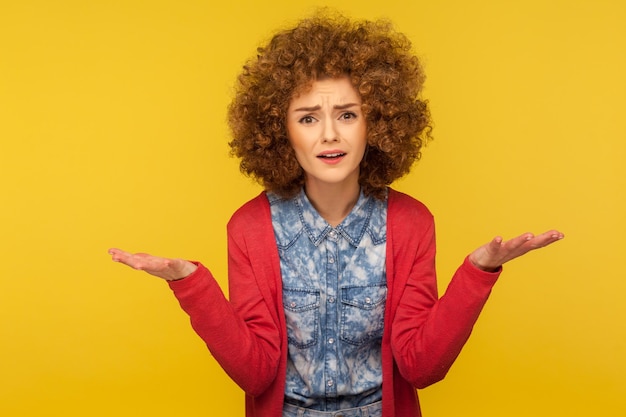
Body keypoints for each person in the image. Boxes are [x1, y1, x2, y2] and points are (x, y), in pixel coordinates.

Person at [108, 13, 563, 417]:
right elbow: (256, 373)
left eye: (347, 114)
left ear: (377, 121)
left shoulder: (410, 223)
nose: (329, 134)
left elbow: (421, 367)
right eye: (307, 118)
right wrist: (191, 284)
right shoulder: (249, 227)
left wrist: (478, 273)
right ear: (280, 131)